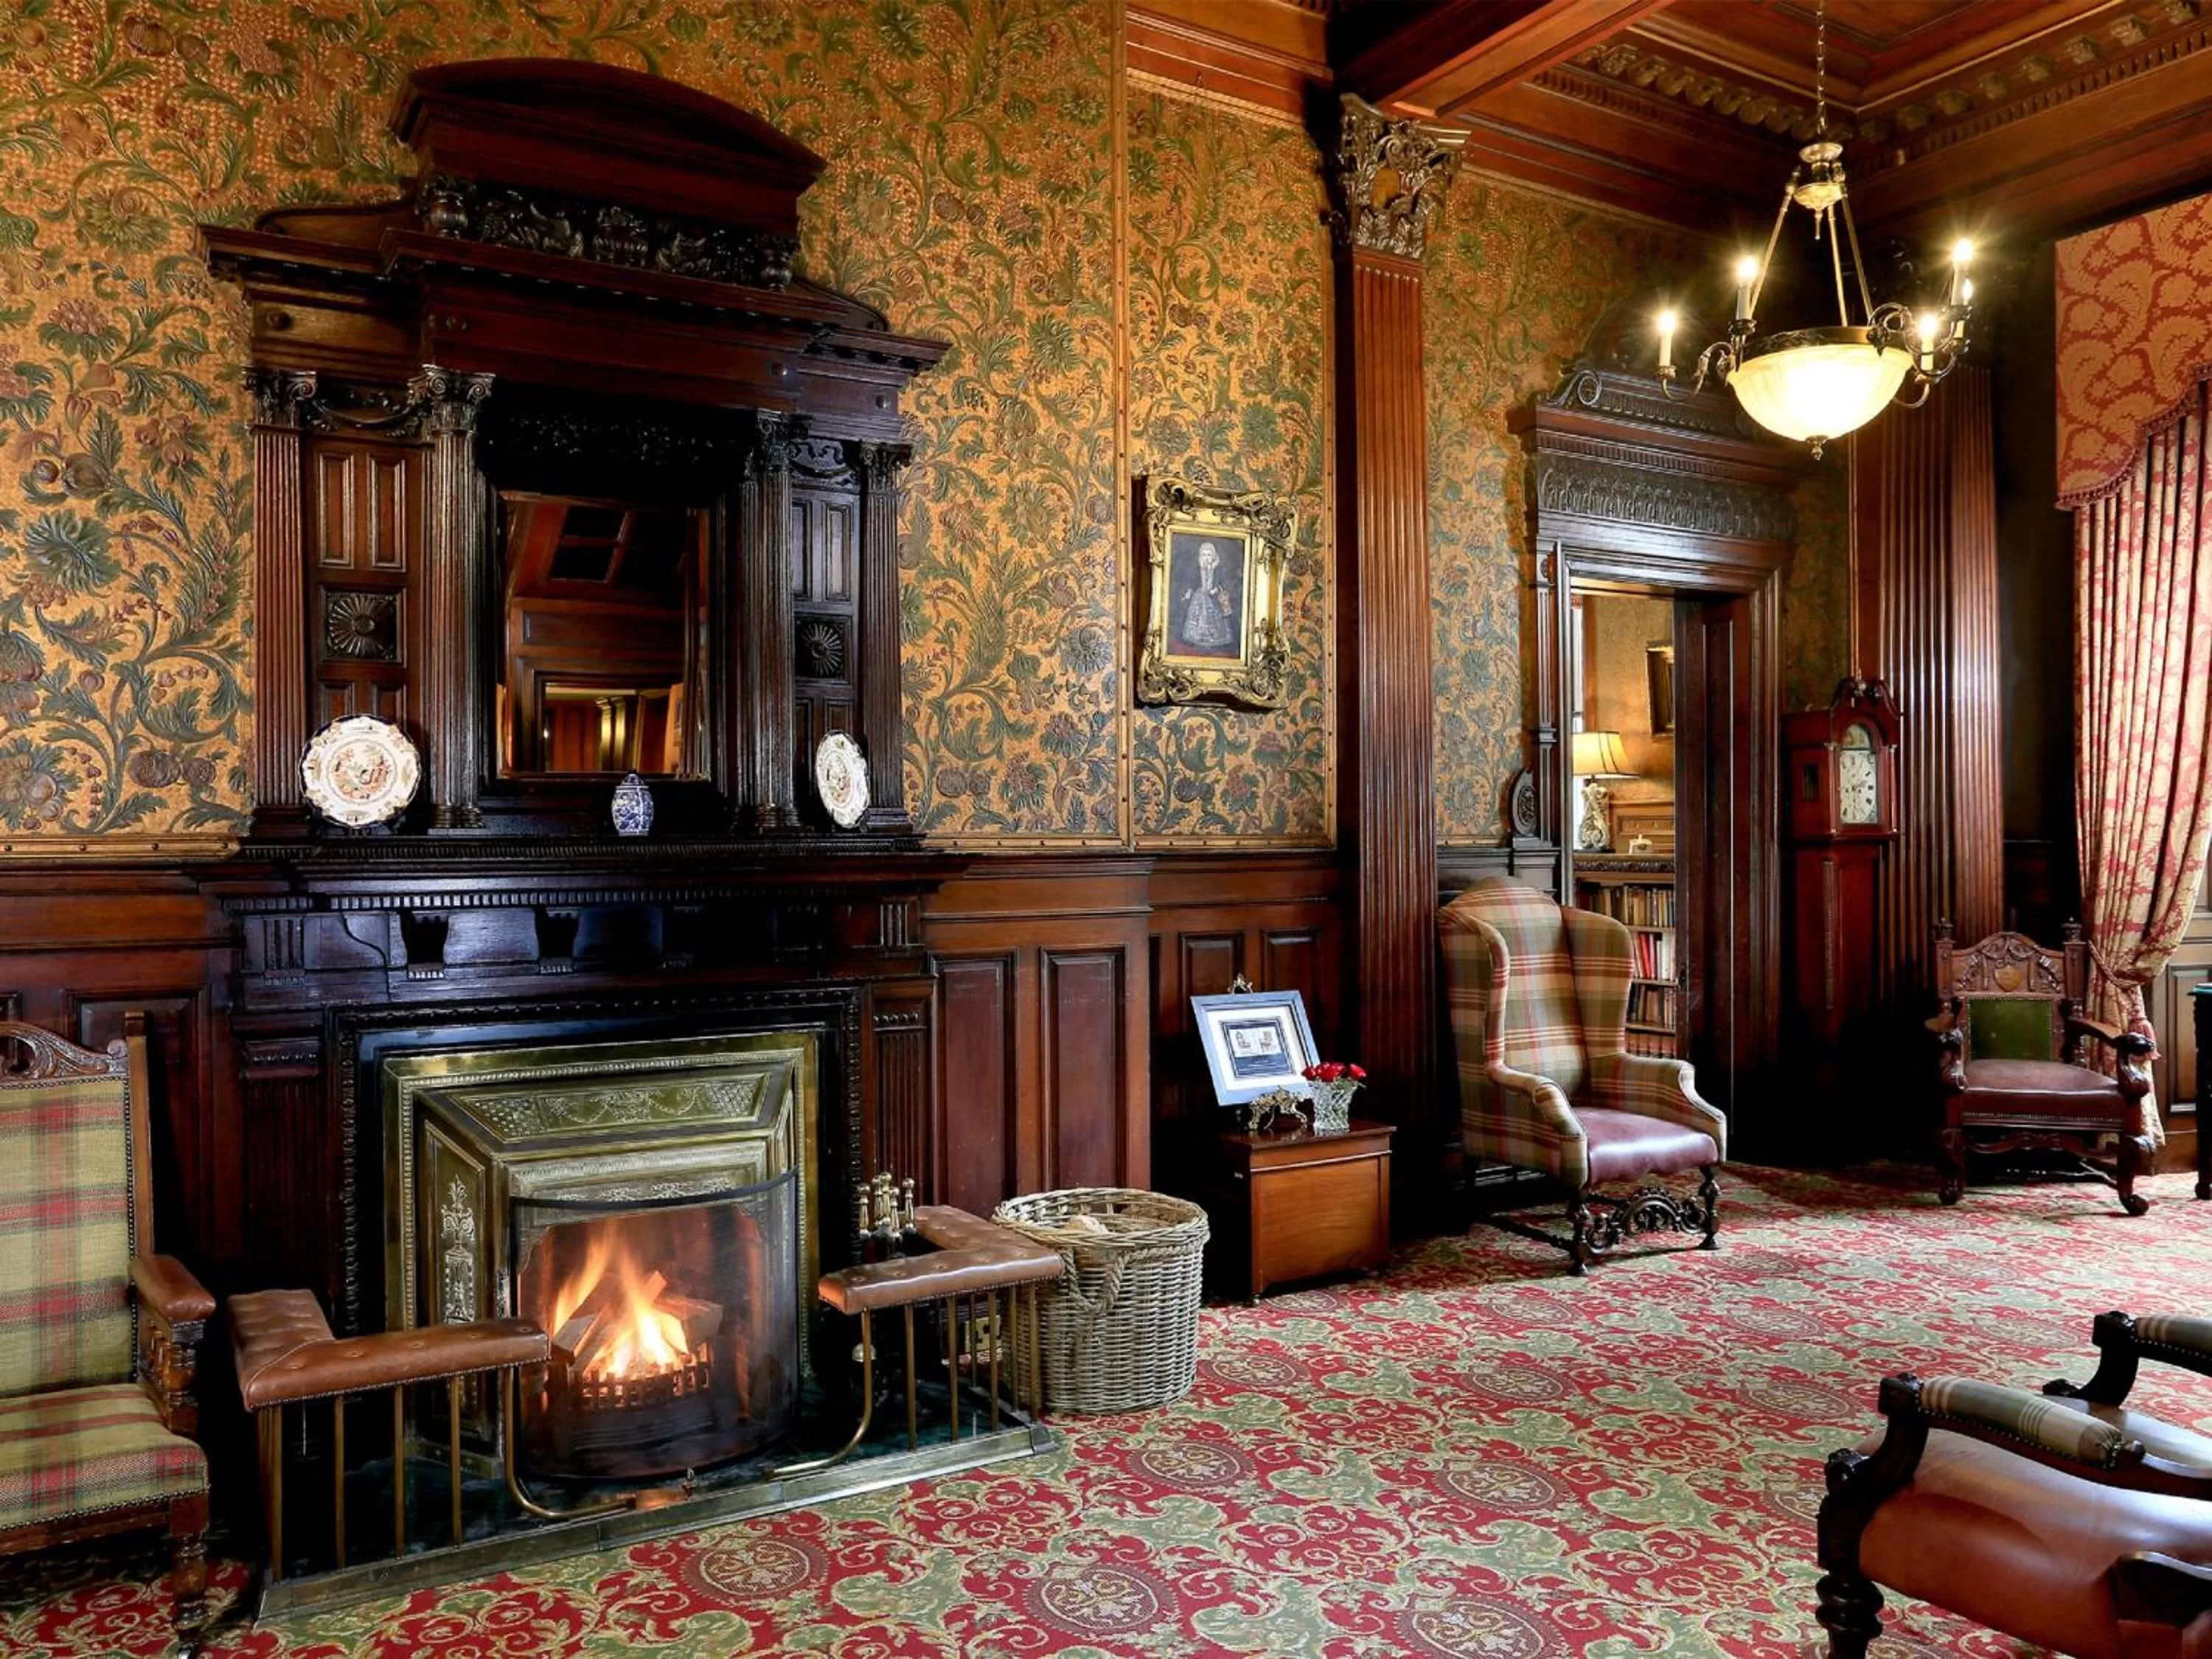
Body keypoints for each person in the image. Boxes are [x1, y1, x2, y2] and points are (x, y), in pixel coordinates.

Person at [1177, 540, 1236, 651]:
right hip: (1200, 596)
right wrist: (1189, 591)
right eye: (1204, 555)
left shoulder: (1217, 568)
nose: (1207, 558)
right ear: (1201, 556)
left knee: (1214, 618)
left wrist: (1216, 589)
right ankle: (1198, 638)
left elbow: (1223, 583)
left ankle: (1214, 639)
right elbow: (1193, 581)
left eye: (1209, 555)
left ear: (1213, 556)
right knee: (1199, 617)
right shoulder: (1198, 568)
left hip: (1213, 597)